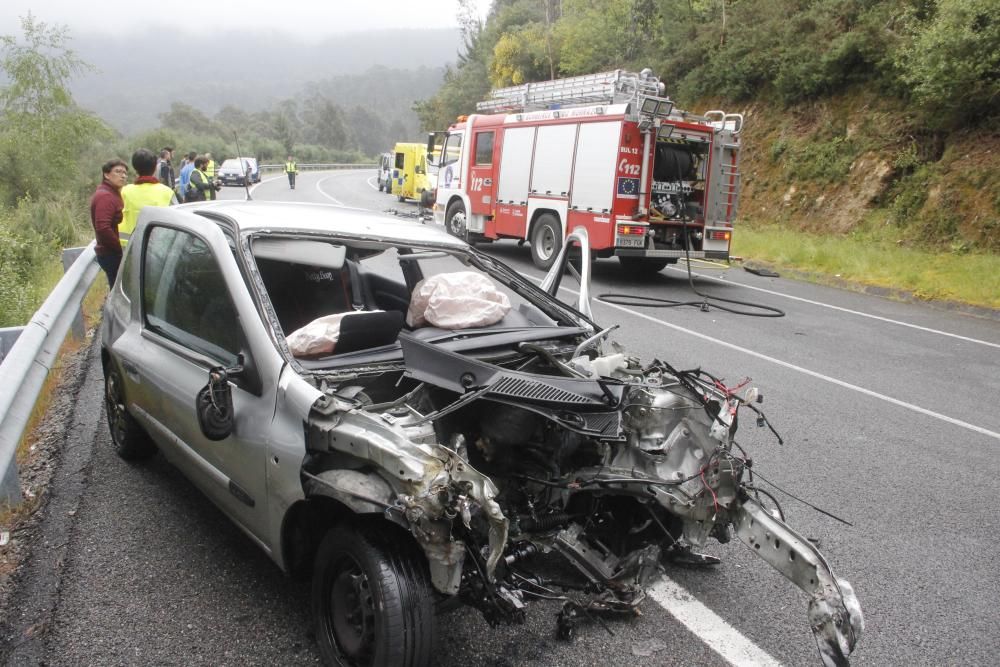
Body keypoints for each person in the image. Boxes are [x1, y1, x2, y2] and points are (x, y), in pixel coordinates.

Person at [120, 148, 177, 246]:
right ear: (155, 167)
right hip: (157, 248)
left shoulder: (124, 191)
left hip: (128, 247)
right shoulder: (167, 192)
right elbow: (178, 220)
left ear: (135, 168)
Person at [89, 159, 128, 287]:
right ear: (106, 174)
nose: (123, 175)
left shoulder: (110, 193)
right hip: (110, 253)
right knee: (118, 290)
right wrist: (119, 249)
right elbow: (103, 228)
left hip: (110, 252)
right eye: (118, 171)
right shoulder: (105, 197)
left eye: (125, 173)